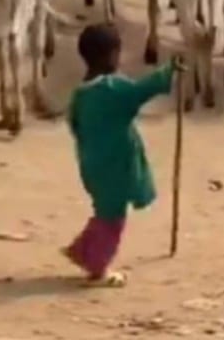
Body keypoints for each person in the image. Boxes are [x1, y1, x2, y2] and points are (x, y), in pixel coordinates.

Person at [62, 23, 181, 287]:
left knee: (104, 211)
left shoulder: (81, 93)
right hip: (115, 166)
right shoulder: (112, 89)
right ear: (110, 56)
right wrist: (170, 70)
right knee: (112, 218)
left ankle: (83, 251)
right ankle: (97, 267)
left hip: (92, 165)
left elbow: (75, 125)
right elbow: (143, 90)